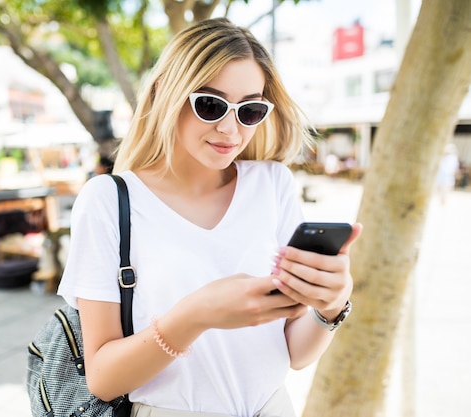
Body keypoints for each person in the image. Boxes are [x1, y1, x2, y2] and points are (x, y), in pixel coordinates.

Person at [58, 18, 362, 417]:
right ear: (167, 94)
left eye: (249, 110)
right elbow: (102, 378)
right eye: (210, 104)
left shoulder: (273, 185)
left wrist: (332, 305)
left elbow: (295, 354)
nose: (229, 129)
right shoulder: (108, 201)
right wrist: (195, 316)